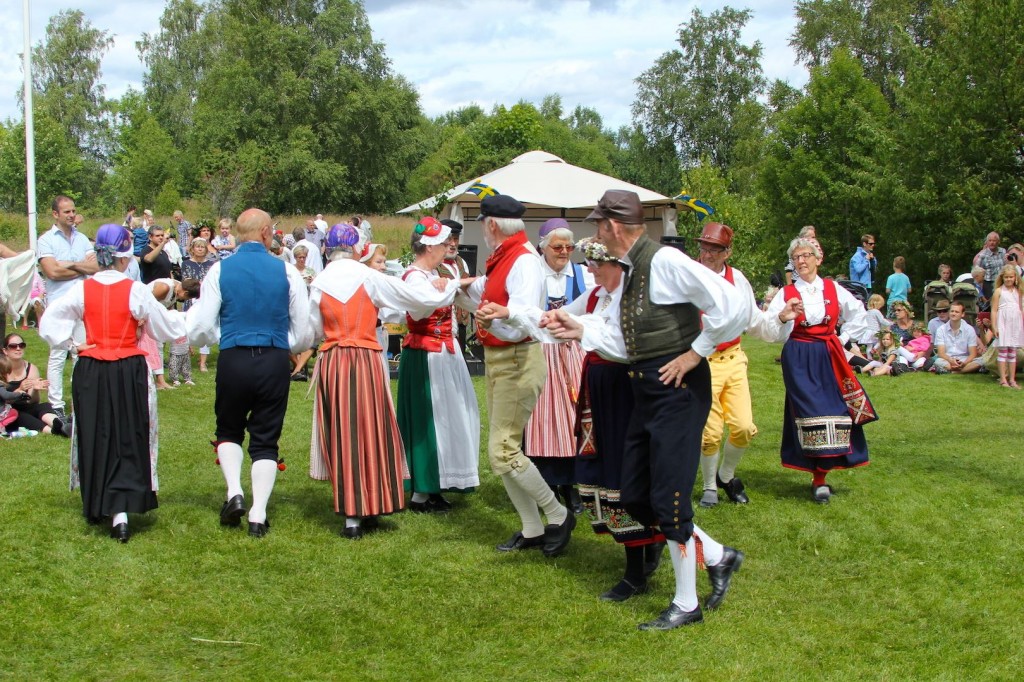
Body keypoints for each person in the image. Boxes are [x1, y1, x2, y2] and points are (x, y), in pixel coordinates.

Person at [541, 189, 748, 630]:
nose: (596, 233)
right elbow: (622, 339)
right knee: (635, 496)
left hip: (679, 391)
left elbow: (734, 306)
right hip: (645, 389)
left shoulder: (666, 262)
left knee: (669, 500)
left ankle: (686, 603)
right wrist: (578, 327)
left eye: (599, 225)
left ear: (613, 227)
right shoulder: (632, 270)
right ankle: (717, 555)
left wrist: (697, 352)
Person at [307, 223, 463, 538]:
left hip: (334, 361)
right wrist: (447, 287)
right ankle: (367, 507)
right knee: (373, 431)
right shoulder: (369, 277)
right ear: (355, 248)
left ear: (328, 248)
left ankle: (354, 515)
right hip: (365, 358)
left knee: (343, 434)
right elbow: (416, 301)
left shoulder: (320, 283)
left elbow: (309, 332)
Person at [40, 224, 185, 543]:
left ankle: (102, 502)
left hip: (92, 370)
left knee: (97, 433)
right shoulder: (136, 290)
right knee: (130, 434)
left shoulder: (81, 289)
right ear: (124, 258)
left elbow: (49, 321)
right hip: (128, 370)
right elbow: (163, 329)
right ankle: (122, 509)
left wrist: (71, 345)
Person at [187, 208, 312, 538]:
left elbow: (200, 326)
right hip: (272, 358)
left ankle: (234, 491)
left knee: (228, 427)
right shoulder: (287, 272)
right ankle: (258, 512)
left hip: (233, 357)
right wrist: (279, 342)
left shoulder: (219, 270)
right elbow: (303, 333)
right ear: (267, 232)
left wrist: (222, 337)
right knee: (266, 437)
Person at [470, 194, 574, 559]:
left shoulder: (524, 261)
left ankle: (558, 514)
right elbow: (484, 291)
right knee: (500, 451)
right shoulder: (505, 257)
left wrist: (504, 313)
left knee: (503, 449)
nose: (483, 228)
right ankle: (532, 528)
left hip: (518, 359)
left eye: (484, 222)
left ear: (492, 224)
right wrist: (452, 287)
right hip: (502, 359)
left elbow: (529, 316)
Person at [757, 237, 878, 504]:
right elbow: (766, 330)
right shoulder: (786, 294)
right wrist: (781, 317)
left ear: (817, 259)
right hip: (799, 356)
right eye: (796, 257)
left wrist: (844, 339)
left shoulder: (833, 288)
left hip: (829, 353)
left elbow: (860, 313)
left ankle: (821, 473)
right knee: (810, 413)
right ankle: (819, 477)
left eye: (806, 255)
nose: (801, 261)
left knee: (837, 410)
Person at [396, 218, 480, 514]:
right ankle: (421, 490)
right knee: (427, 421)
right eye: (444, 243)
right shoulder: (414, 277)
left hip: (446, 352)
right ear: (430, 246)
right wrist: (456, 282)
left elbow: (460, 299)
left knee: (449, 417)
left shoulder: (436, 274)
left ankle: (438, 482)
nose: (448, 247)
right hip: (426, 355)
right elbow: (425, 303)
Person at [523, 218, 592, 512]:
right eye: (557, 246)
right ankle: (547, 484)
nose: (564, 252)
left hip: (572, 354)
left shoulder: (582, 274)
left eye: (568, 246)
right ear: (543, 248)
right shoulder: (531, 274)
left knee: (573, 420)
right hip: (540, 352)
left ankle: (572, 484)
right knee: (543, 421)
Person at [693, 222, 760, 508]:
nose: (706, 254)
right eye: (704, 247)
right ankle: (709, 486)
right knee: (710, 432)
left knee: (744, 427)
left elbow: (752, 317)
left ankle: (726, 475)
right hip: (702, 360)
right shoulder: (689, 274)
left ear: (727, 252)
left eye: (714, 249)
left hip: (733, 357)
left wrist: (780, 320)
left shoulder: (738, 279)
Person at [37, 195, 99, 419]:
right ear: (55, 214)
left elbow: (95, 267)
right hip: (59, 304)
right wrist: (81, 267)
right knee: (58, 353)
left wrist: (69, 264)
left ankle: (79, 401)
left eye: (73, 211)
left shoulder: (82, 238)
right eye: (67, 212)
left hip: (83, 302)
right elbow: (51, 272)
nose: (72, 215)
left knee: (82, 353)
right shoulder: (46, 240)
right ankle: (56, 404)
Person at [1, 333, 69, 436]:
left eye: (21, 345)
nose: (18, 348)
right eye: (13, 346)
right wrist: (20, 389)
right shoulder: (2, 369)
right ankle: (54, 431)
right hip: (7, 412)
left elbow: (32, 401)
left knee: (44, 406)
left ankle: (61, 424)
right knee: (19, 414)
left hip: (26, 407)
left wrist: (35, 389)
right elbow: (3, 401)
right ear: (5, 350)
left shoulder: (31, 368)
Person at [181, 237, 216, 372]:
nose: (200, 249)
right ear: (193, 249)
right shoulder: (186, 264)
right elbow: (186, 280)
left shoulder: (211, 264)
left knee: (204, 327)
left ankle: (203, 362)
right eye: (198, 247)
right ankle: (185, 355)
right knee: (187, 327)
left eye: (202, 247)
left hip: (205, 298)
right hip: (191, 297)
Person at [990, 264, 1024, 388]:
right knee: (1003, 351)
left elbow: (1020, 308)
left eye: (1011, 277)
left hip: (1015, 323)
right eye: (1006, 277)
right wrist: (994, 326)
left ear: (1015, 278)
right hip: (1003, 322)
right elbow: (994, 310)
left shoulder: (1018, 291)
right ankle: (1003, 379)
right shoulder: (999, 291)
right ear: (1002, 278)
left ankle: (1012, 379)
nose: (1009, 279)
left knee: (1012, 351)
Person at [933, 301, 985, 374]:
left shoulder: (969, 329)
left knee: (982, 360)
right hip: (947, 359)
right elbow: (941, 353)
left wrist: (964, 363)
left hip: (965, 359)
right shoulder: (941, 330)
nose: (953, 314)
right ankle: (965, 370)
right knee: (938, 361)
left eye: (957, 312)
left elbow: (973, 354)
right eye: (952, 311)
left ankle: (954, 372)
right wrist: (951, 360)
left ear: (962, 314)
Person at [973, 231, 1006, 300]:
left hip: (1002, 282)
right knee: (991, 304)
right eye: (990, 240)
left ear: (998, 242)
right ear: (987, 242)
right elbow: (976, 272)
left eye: (994, 240)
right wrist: (979, 291)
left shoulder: (1003, 251)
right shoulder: (983, 255)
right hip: (989, 284)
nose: (992, 242)